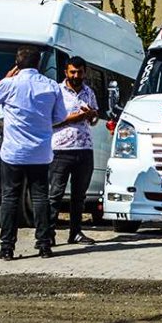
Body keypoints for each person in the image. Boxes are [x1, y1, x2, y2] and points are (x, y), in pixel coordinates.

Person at [0, 46, 67, 260]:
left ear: (17, 64)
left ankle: (7, 247)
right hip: (40, 152)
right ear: (38, 63)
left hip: (14, 152)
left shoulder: (10, 84)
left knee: (10, 198)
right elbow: (59, 117)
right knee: (40, 198)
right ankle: (44, 244)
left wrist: (4, 78)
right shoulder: (51, 86)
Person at [50, 56, 99, 245]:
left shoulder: (89, 92)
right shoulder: (56, 92)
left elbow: (93, 121)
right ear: (66, 72)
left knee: (79, 196)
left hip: (84, 149)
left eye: (79, 72)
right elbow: (51, 120)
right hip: (60, 149)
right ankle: (48, 234)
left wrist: (91, 115)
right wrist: (73, 118)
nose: (76, 76)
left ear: (84, 72)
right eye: (72, 72)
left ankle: (76, 232)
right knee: (55, 194)